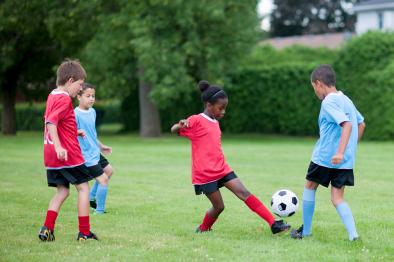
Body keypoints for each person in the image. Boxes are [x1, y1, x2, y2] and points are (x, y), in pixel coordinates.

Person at [171, 80, 290, 234]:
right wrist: (181, 124)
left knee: (244, 192)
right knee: (219, 207)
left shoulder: (215, 122)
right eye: (221, 108)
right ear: (209, 105)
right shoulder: (196, 120)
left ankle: (273, 224)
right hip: (205, 174)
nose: (223, 112)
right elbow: (173, 129)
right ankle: (203, 228)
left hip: (221, 168)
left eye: (225, 108)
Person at [291, 64, 365, 241]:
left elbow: (346, 124)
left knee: (310, 187)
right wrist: (348, 150)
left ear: (318, 84)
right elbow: (361, 124)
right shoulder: (346, 100)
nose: (315, 92)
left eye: (313, 88)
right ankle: (354, 236)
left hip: (325, 157)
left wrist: (339, 152)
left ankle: (306, 232)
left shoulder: (329, 101)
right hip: (346, 160)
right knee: (337, 198)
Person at [39, 59, 98, 241]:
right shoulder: (64, 99)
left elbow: (58, 122)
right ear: (70, 81)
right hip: (67, 154)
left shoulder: (52, 96)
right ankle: (84, 232)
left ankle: (47, 229)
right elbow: (51, 122)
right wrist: (59, 146)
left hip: (51, 156)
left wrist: (74, 132)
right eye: (79, 85)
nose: (80, 90)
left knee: (63, 191)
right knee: (83, 188)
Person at [75, 83, 114, 214]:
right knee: (103, 180)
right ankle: (99, 211)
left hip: (95, 151)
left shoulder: (92, 112)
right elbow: (69, 134)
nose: (91, 98)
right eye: (88, 96)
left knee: (109, 171)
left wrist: (101, 146)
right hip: (86, 155)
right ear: (79, 97)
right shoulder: (75, 114)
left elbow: (92, 134)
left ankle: (91, 197)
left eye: (93, 96)